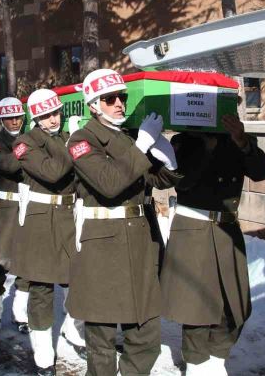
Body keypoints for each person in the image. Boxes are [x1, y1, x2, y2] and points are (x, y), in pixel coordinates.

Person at [66, 69, 181, 376]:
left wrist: (169, 161)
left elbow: (155, 179)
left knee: (146, 335)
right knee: (102, 340)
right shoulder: (82, 140)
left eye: (122, 97)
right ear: (93, 105)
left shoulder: (129, 136)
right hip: (102, 245)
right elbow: (109, 182)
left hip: (141, 241)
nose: (119, 103)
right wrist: (141, 146)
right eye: (109, 99)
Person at [165, 116, 265, 375]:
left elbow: (262, 172)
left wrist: (244, 143)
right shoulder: (183, 140)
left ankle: (216, 356)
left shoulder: (239, 141)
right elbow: (182, 181)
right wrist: (207, 150)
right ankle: (196, 362)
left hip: (226, 228)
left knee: (234, 302)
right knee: (196, 304)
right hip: (193, 227)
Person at [10, 89, 81, 375]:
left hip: (70, 215)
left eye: (57, 113)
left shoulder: (65, 138)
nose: (55, 119)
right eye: (48, 115)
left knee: (77, 281)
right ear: (36, 118)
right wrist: (76, 143)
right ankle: (43, 353)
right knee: (41, 289)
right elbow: (52, 172)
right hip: (40, 220)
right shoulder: (24, 143)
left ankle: (74, 331)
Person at [0, 97, 30, 333]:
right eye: (10, 117)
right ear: (1, 119)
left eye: (18, 116)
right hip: (4, 208)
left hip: (28, 206)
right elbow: (8, 165)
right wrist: (28, 150)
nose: (15, 121)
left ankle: (20, 313)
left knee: (26, 263)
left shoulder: (29, 138)